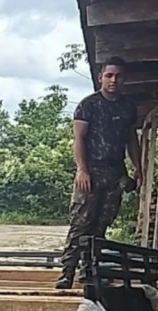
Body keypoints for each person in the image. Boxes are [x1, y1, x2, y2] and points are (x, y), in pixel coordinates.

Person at [56, 56, 143, 289]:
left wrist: (138, 167)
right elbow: (79, 139)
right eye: (109, 75)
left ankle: (89, 271)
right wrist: (82, 170)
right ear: (100, 77)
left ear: (124, 79)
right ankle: (67, 272)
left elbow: (131, 139)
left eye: (118, 76)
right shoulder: (88, 105)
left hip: (115, 174)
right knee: (80, 223)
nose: (113, 80)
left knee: (101, 225)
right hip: (91, 172)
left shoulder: (128, 107)